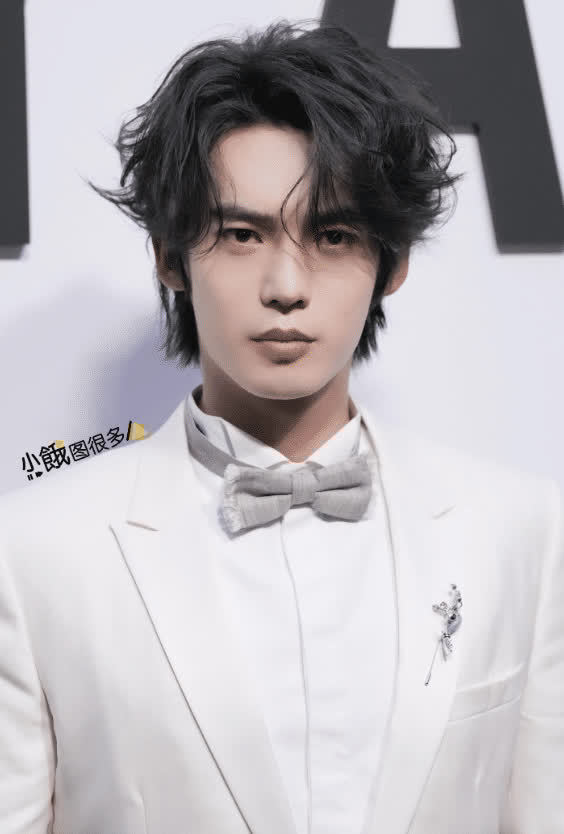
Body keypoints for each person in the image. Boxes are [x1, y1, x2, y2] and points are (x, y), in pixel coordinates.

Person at [0, 19, 562, 834]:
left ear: (393, 262)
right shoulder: (32, 553)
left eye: (333, 235)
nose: (287, 285)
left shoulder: (520, 529)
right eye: (242, 234)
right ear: (169, 256)